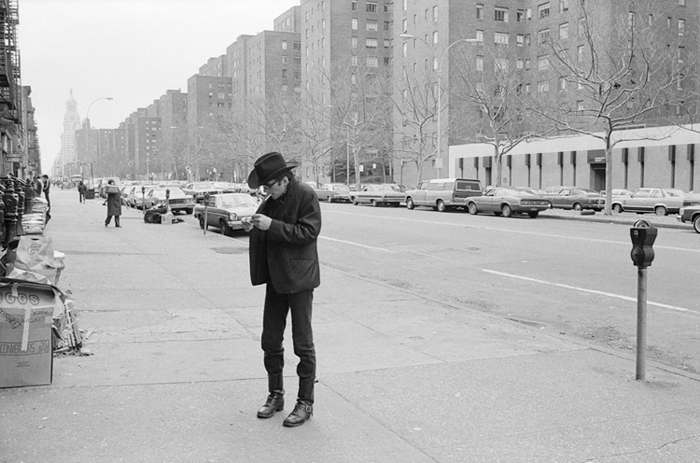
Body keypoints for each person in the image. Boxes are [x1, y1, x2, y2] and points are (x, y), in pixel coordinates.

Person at [242, 151, 321, 428]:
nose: (267, 191)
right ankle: (276, 394)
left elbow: (308, 233)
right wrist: (253, 224)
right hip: (277, 279)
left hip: (299, 280)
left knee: (303, 343)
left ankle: (305, 402)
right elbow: (263, 227)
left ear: (285, 180)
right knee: (270, 341)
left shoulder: (305, 195)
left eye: (270, 186)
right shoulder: (270, 200)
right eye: (264, 188)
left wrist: (271, 225)